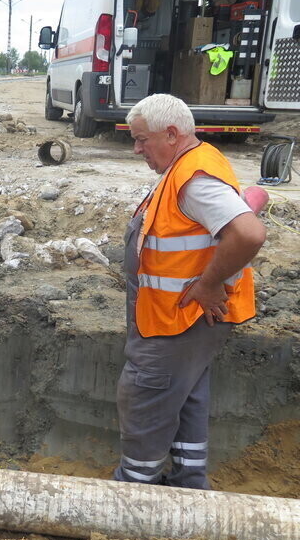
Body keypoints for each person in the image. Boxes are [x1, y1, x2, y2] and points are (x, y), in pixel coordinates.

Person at [114, 94, 266, 489]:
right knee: (187, 395)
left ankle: (134, 491)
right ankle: (188, 485)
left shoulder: (193, 178)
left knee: (146, 396)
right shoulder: (191, 164)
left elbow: (248, 233)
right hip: (185, 319)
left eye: (143, 139)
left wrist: (209, 283)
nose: (137, 148)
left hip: (176, 320)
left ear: (171, 133)